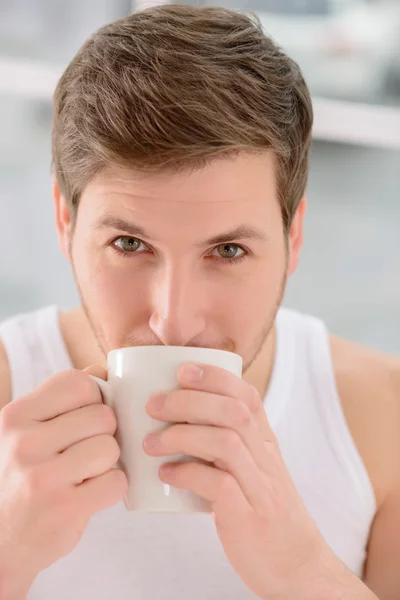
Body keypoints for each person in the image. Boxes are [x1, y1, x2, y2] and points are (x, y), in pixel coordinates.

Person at [0, 5, 399, 600]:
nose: (174, 321)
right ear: (65, 222)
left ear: (293, 237)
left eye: (229, 251)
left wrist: (303, 571)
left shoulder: (385, 420)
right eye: (129, 244)